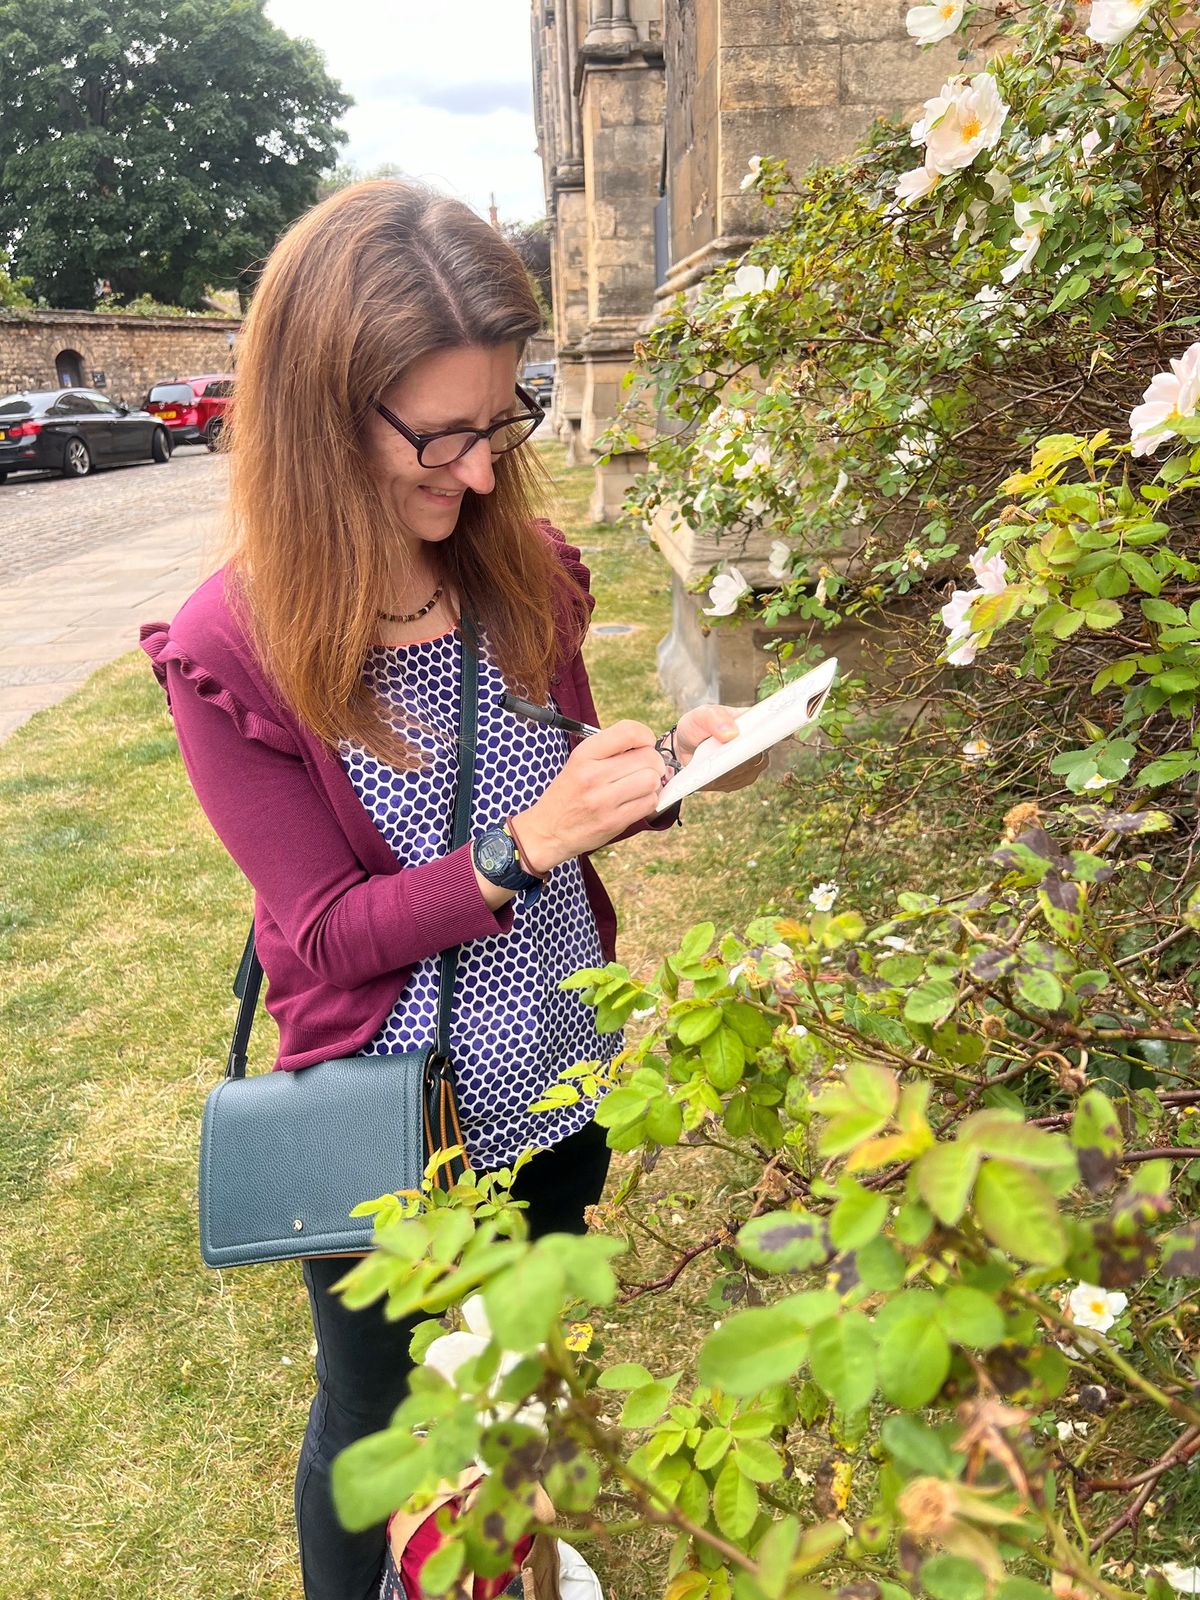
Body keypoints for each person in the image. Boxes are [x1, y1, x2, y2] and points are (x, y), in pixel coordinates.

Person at [140, 179, 767, 1600]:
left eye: (504, 423)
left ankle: (518, 1570)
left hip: (555, 1075)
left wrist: (665, 777)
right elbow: (320, 933)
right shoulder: (231, 643)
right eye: (442, 438)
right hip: (385, 1126)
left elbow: (564, 791)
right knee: (376, 1421)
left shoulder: (524, 570)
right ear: (321, 415)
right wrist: (522, 847)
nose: (482, 475)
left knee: (525, 1381)